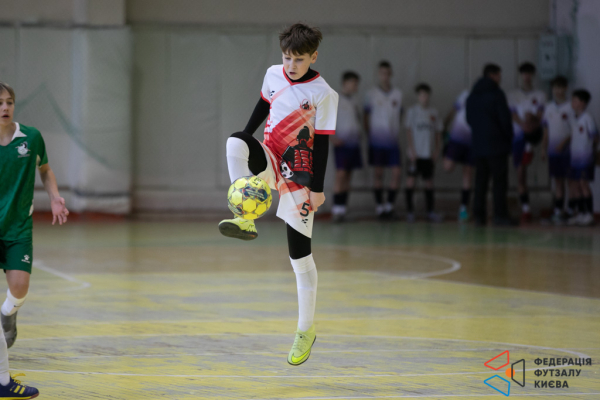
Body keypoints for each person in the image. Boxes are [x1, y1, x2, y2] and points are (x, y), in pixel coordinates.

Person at [217, 24, 338, 365]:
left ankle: (305, 330)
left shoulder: (324, 94)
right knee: (235, 141)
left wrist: (317, 190)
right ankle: (245, 215)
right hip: (271, 158)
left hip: (300, 175)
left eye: (299, 59)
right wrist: (247, 138)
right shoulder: (273, 74)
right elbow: (262, 107)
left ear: (313, 57)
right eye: (286, 58)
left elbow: (323, 144)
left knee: (300, 259)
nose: (291, 65)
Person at [1, 82, 69, 398]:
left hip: (17, 229)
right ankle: (3, 381)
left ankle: (8, 313)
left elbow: (45, 169)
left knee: (19, 288)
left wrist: (54, 197)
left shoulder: (31, 137)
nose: (5, 107)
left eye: (9, 102)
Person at [466, 64, 515, 226]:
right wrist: (508, 137)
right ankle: (499, 215)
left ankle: (479, 216)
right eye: (499, 75)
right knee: (499, 183)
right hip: (497, 145)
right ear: (492, 75)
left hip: (478, 145)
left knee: (480, 182)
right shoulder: (497, 94)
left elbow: (469, 120)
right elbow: (505, 120)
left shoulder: (472, 96)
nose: (500, 79)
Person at [507, 62, 547, 222]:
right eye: (524, 73)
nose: (527, 76)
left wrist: (532, 122)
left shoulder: (540, 95)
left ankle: (529, 147)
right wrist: (522, 124)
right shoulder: (513, 95)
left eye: (529, 73)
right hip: (518, 136)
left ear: (533, 75)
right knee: (520, 174)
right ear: (521, 75)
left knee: (525, 169)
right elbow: (513, 114)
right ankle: (525, 208)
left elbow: (541, 116)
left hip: (533, 134)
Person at [364, 61, 403, 219]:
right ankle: (380, 207)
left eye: (387, 73)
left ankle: (390, 206)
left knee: (396, 172)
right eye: (382, 73)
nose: (385, 76)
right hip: (377, 141)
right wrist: (370, 135)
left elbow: (400, 115)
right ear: (378, 74)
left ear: (391, 74)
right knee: (378, 173)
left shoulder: (398, 94)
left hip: (392, 141)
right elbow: (365, 117)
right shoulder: (371, 94)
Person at [558, 89, 598, 226]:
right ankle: (581, 213)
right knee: (575, 186)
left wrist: (592, 152)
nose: (572, 103)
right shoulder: (573, 118)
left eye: (575, 100)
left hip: (585, 158)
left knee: (583, 184)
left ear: (583, 103)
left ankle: (589, 214)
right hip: (574, 158)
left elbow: (595, 137)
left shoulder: (588, 118)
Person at [404, 83, 443, 222]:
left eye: (426, 95)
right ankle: (410, 212)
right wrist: (412, 150)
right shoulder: (412, 111)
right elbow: (408, 131)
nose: (424, 97)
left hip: (428, 154)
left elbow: (438, 133)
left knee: (429, 182)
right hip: (415, 154)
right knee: (411, 181)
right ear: (418, 96)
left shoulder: (434, 113)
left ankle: (430, 212)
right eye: (421, 95)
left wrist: (437, 150)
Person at [541, 76, 574, 224]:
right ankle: (558, 211)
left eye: (561, 87)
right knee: (558, 181)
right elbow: (546, 131)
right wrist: (543, 148)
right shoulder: (548, 107)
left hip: (568, 151)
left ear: (566, 88)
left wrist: (564, 143)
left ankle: (571, 211)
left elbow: (575, 130)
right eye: (556, 88)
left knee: (571, 182)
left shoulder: (571, 106)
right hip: (553, 151)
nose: (558, 91)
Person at [331, 71, 362, 222]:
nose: (356, 86)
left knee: (349, 176)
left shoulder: (354, 101)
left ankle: (343, 210)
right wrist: (332, 138)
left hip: (353, 144)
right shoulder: (335, 99)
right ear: (345, 83)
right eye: (353, 83)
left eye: (357, 84)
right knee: (341, 174)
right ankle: (336, 210)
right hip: (341, 144)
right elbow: (324, 120)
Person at [443, 89, 473, 222]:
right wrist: (444, 126)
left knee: (468, 174)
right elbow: (452, 111)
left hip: (472, 140)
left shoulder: (486, 98)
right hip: (457, 138)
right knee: (447, 167)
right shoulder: (465, 95)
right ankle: (445, 151)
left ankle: (463, 208)